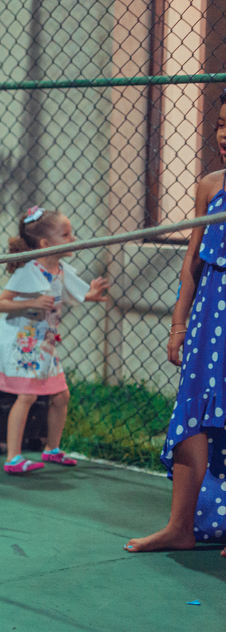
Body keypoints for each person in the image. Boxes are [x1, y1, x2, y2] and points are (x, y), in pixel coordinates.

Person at [128, 90, 226, 556]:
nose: (224, 136)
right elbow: (192, 261)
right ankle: (179, 526)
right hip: (210, 316)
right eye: (221, 125)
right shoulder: (210, 185)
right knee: (192, 414)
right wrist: (178, 324)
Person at [0, 207, 111, 474]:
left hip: (45, 344)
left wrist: (90, 295)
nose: (73, 238)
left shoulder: (60, 269)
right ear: (45, 244)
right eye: (66, 234)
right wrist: (31, 302)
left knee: (61, 395)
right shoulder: (29, 270)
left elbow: (70, 293)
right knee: (27, 395)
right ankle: (13, 457)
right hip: (24, 343)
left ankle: (51, 449)